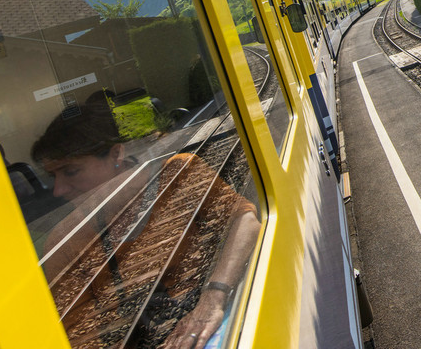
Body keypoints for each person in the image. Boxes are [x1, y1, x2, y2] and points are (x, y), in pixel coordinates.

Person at [32, 102, 260, 349]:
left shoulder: (179, 174)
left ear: (115, 155)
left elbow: (245, 222)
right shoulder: (65, 241)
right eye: (53, 176)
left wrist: (213, 297)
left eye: (71, 171)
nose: (58, 190)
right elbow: (77, 334)